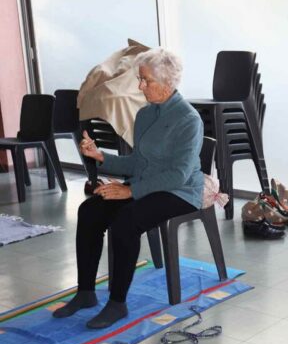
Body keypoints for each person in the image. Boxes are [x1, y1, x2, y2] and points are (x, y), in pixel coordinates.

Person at [52, 47, 204, 329]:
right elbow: (136, 162)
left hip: (180, 192)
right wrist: (100, 156)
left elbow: (178, 175)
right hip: (147, 185)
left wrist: (130, 191)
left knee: (126, 221)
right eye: (140, 79)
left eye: (146, 80)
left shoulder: (188, 120)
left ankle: (117, 303)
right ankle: (85, 292)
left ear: (167, 82)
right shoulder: (145, 114)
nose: (140, 86)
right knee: (89, 210)